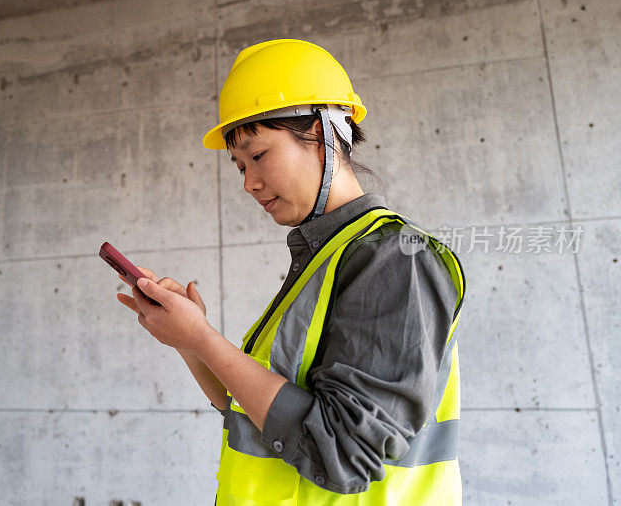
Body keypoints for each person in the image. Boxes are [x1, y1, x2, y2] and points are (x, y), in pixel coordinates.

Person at [116, 39, 465, 505]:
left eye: (258, 156)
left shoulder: (395, 259)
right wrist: (189, 338)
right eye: (239, 166)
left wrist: (203, 339)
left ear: (323, 133)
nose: (248, 183)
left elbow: (345, 453)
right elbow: (250, 409)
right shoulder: (326, 260)